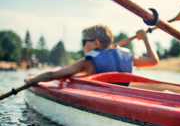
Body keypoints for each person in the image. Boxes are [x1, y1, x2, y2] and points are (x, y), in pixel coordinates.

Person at [27, 24, 159, 85]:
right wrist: (145, 38)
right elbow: (153, 60)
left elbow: (51, 75)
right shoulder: (127, 56)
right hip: (126, 97)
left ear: (96, 43)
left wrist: (31, 81)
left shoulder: (87, 62)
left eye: (83, 42)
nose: (82, 46)